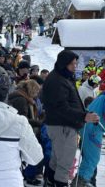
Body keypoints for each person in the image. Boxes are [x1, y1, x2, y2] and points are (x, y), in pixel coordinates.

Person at [42, 50, 99, 187]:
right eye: (72, 64)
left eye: (76, 63)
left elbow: (71, 102)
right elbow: (61, 108)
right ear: (63, 64)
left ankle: (50, 182)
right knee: (65, 163)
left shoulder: (64, 77)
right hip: (62, 126)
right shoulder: (57, 80)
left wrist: (83, 113)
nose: (75, 66)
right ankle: (58, 183)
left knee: (57, 160)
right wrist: (83, 116)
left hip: (63, 125)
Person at [8, 79, 43, 186]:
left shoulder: (21, 96)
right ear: (31, 90)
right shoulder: (21, 99)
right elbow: (22, 120)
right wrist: (39, 123)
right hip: (17, 134)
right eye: (36, 92)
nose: (37, 95)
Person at [75, 94, 104, 186]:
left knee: (91, 158)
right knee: (92, 158)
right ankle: (81, 181)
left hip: (93, 126)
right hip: (92, 127)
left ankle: (83, 180)